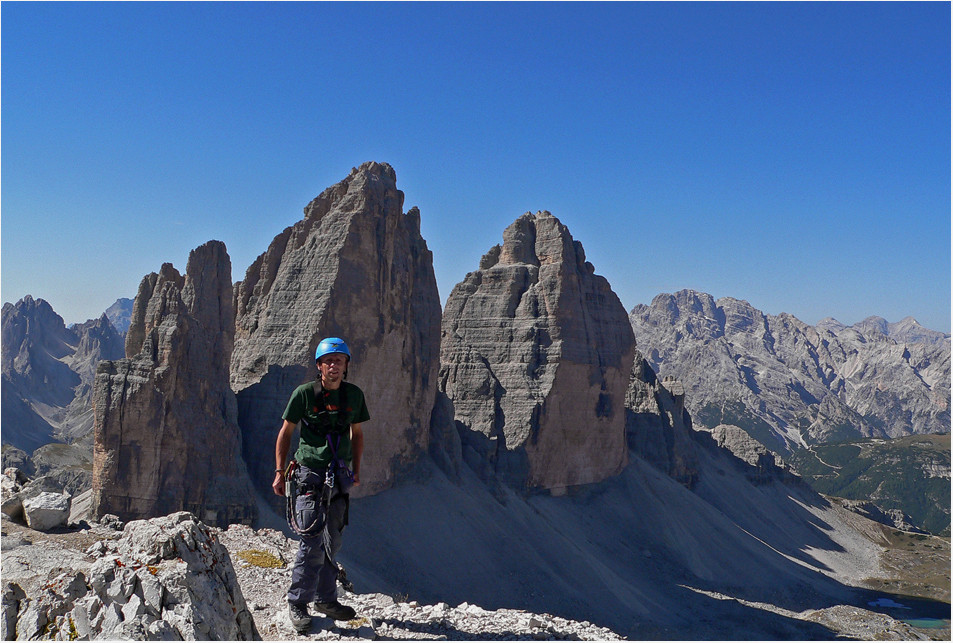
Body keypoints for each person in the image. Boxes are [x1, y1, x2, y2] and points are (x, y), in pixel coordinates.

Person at [273, 337, 369, 633]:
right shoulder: (304, 394)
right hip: (309, 474)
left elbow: (358, 435)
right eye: (328, 361)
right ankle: (298, 602)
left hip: (339, 475)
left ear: (346, 365)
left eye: (339, 360)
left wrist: (356, 471)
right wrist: (279, 471)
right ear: (319, 366)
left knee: (331, 539)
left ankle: (326, 600)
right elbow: (285, 433)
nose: (333, 365)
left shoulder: (354, 396)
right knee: (311, 539)